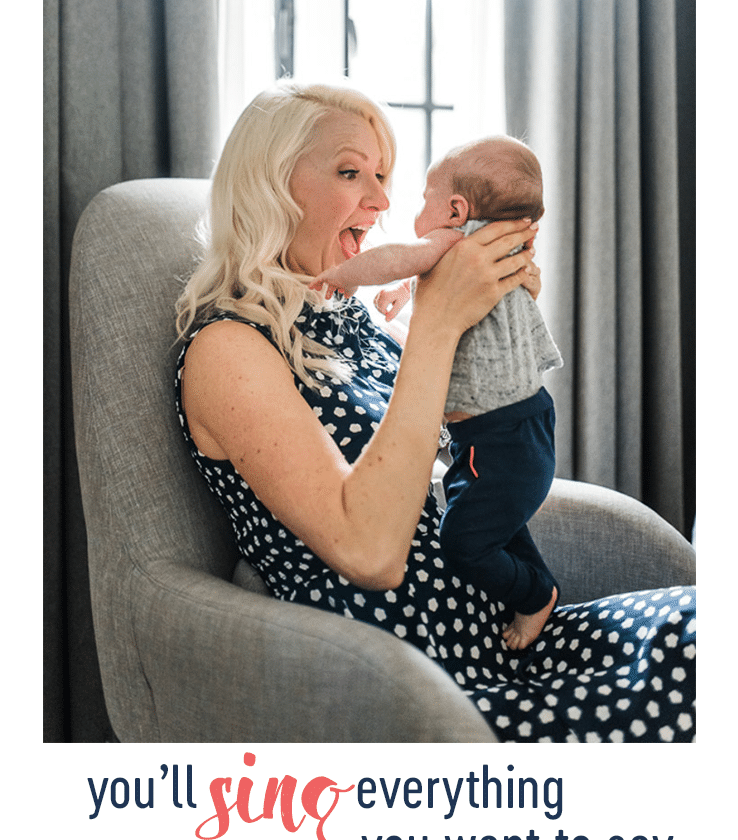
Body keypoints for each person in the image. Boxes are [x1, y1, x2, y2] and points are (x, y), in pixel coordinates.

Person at [175, 78, 696, 743]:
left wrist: (496, 300)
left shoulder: (341, 316)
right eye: (349, 171)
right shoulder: (229, 349)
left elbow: (452, 419)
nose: (383, 199)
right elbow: (370, 551)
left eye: (383, 175)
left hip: (506, 644)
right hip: (436, 691)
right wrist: (438, 324)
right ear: (269, 183)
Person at [309, 137, 563, 650]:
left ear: (455, 210)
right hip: (523, 422)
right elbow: (428, 282)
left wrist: (342, 275)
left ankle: (535, 594)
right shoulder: (499, 250)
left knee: (463, 539)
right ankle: (538, 593)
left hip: (497, 432)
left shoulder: (459, 243)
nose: (398, 206)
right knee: (490, 516)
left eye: (424, 199)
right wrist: (406, 291)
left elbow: (397, 259)